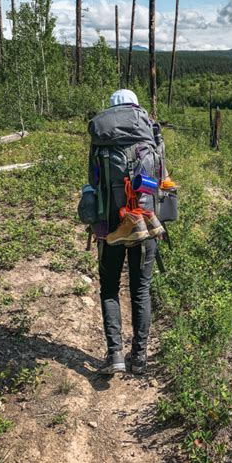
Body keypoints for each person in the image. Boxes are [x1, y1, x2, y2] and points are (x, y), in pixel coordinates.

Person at [87, 89, 165, 375]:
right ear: (136, 107)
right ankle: (140, 357)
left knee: (109, 289)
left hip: (110, 228)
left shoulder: (100, 139)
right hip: (146, 224)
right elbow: (161, 180)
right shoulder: (151, 133)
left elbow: (92, 184)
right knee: (140, 290)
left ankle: (115, 354)